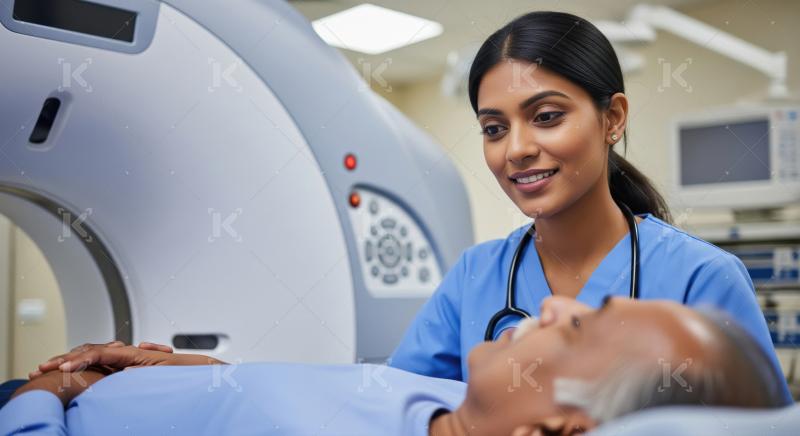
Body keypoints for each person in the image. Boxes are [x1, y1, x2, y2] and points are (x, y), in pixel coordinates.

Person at [385, 10, 792, 404]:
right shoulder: (474, 277)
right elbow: (393, 408)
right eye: (494, 129)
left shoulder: (702, 277)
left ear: (612, 118)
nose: (517, 149)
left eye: (546, 116)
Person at [3, 298, 787, 435]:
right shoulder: (461, 400)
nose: (554, 304)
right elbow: (307, 394)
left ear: (551, 431)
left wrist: (49, 391)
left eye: (579, 329)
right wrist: (186, 369)